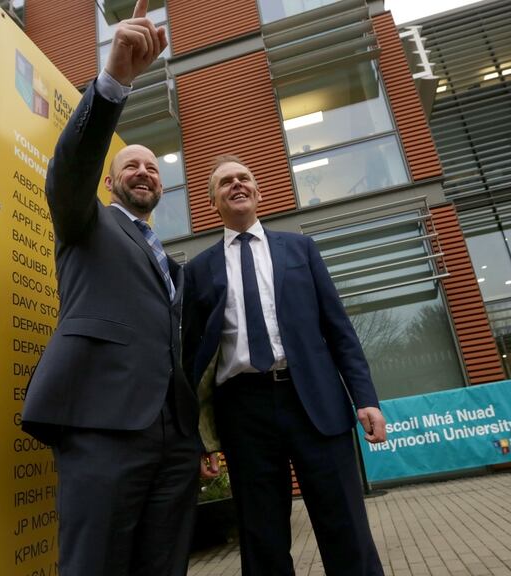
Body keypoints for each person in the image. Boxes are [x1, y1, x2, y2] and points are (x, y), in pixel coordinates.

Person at [19, 2, 200, 574]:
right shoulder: (86, 221)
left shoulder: (168, 262)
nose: (144, 171)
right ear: (109, 180)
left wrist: (193, 436)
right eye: (131, 166)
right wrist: (114, 83)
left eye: (153, 168)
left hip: (172, 437)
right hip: (102, 426)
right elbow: (69, 170)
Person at [183, 156, 387, 576]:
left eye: (244, 178)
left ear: (258, 192)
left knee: (345, 525)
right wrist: (200, 438)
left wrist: (365, 398)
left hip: (314, 400)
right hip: (243, 410)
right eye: (225, 182)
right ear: (212, 202)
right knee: (262, 537)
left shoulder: (300, 249)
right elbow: (194, 359)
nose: (237, 184)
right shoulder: (197, 270)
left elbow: (339, 329)